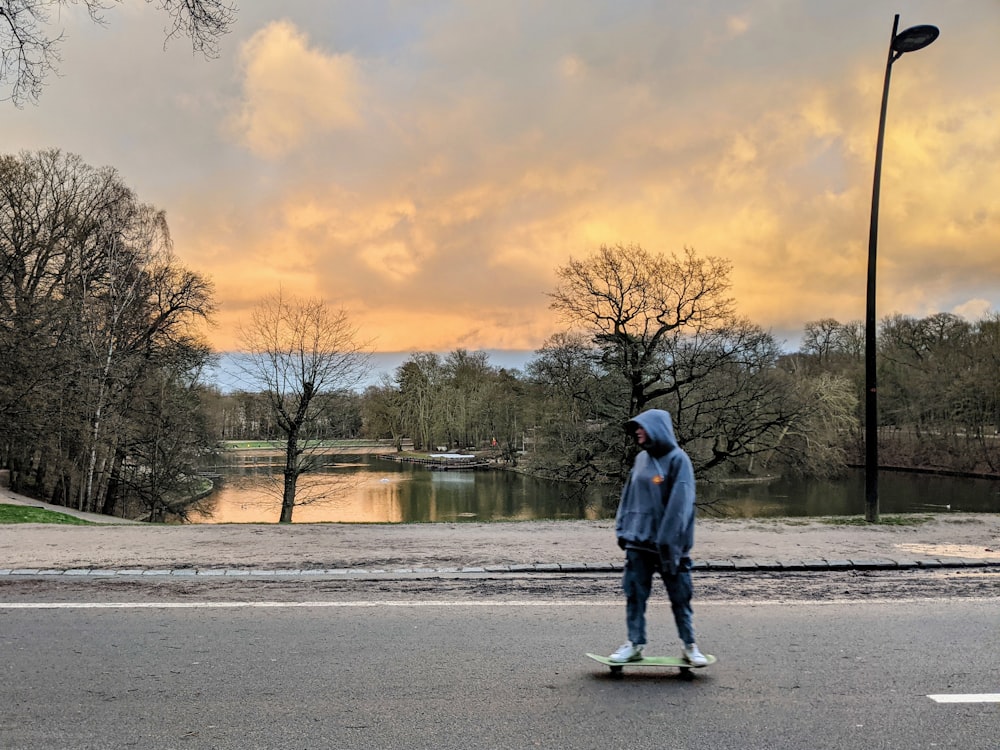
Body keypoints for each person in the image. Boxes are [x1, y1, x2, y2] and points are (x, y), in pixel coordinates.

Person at [609, 408, 708, 666]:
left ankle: (690, 645)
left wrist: (668, 542)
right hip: (637, 542)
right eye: (636, 428)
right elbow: (628, 497)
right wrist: (622, 528)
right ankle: (634, 643)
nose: (637, 432)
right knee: (634, 594)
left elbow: (681, 506)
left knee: (680, 596)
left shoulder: (678, 460)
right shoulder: (641, 460)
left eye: (641, 427)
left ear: (657, 429)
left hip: (669, 547)